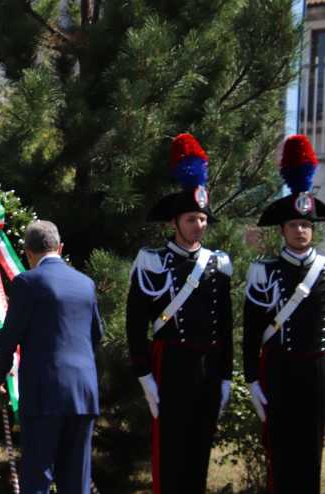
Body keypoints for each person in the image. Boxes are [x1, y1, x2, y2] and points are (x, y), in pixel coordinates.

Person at [126, 133, 233, 494]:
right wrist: (144, 374)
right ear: (175, 222)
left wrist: (226, 376)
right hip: (169, 366)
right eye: (191, 219)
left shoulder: (219, 264)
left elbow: (226, 325)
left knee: (199, 454)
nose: (199, 226)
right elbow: (135, 323)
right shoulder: (153, 261)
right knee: (170, 456)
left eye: (202, 219)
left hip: (207, 369)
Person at [0, 220, 103, 494]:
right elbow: (96, 335)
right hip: (84, 391)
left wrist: (0, 375)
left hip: (45, 392)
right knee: (77, 480)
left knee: (38, 477)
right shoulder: (85, 283)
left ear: (28, 253)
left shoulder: (27, 282)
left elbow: (10, 336)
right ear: (61, 247)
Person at [243, 134, 325, 493]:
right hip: (279, 371)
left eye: (306, 225)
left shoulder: (324, 270)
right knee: (280, 454)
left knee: (311, 455)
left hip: (317, 373)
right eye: (294, 225)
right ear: (282, 230)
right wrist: (251, 378)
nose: (301, 231)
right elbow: (251, 328)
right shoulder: (264, 271)